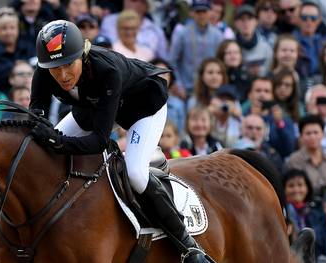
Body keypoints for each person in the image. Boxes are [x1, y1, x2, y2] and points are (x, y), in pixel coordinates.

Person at [30, 20, 208, 262]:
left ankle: (188, 246)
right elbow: (36, 120)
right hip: (95, 106)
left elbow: (99, 142)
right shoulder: (44, 71)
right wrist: (45, 139)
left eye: (68, 64)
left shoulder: (107, 71)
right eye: (54, 68)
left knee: (135, 173)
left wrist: (58, 142)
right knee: (43, 155)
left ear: (82, 54)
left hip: (143, 107)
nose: (62, 75)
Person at [286, 115, 326, 198]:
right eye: (308, 133)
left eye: (316, 132)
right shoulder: (294, 161)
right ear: (301, 136)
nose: (312, 137)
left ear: (323, 134)